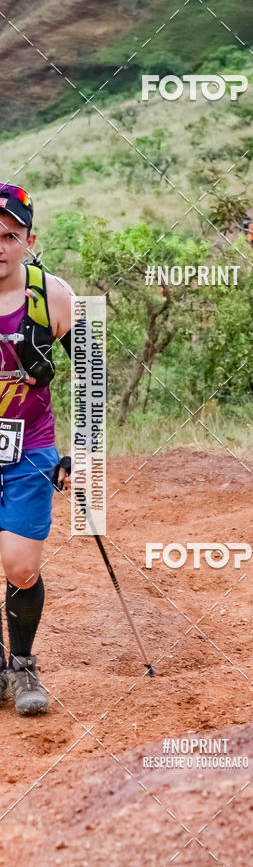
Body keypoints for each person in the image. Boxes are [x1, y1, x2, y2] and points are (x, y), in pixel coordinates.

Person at [0, 183, 74, 715]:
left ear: (29, 239)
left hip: (30, 447)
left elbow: (93, 370)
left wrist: (83, 453)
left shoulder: (55, 296)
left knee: (20, 566)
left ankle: (24, 666)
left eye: (10, 235)